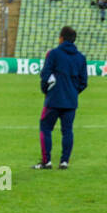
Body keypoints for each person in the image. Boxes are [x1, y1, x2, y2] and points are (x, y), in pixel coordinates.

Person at [33, 26, 87, 170]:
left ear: (61, 38)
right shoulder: (81, 58)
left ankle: (46, 162)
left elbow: (45, 75)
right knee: (67, 131)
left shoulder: (54, 54)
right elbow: (83, 82)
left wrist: (46, 90)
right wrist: (73, 92)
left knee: (45, 127)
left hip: (53, 99)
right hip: (71, 101)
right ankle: (64, 162)